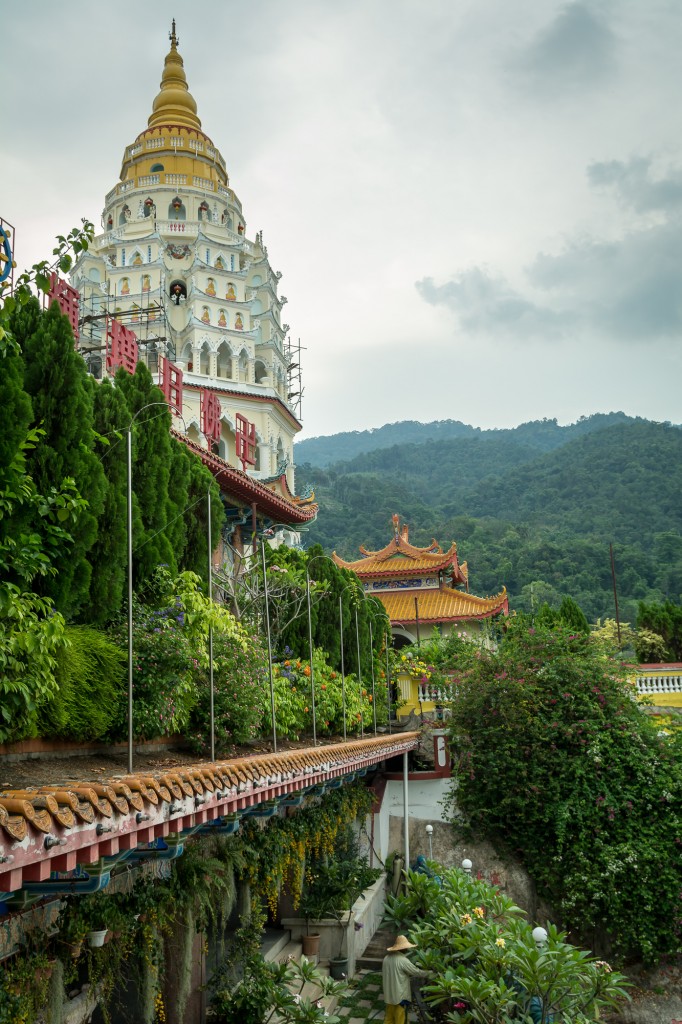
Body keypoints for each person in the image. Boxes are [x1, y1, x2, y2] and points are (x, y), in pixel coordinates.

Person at [382, 935, 427, 1024]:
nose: (407, 949)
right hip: (400, 996)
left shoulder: (386, 958)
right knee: (400, 1019)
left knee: (389, 1019)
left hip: (389, 994)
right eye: (406, 947)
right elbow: (416, 972)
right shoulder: (403, 960)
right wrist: (430, 973)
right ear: (402, 949)